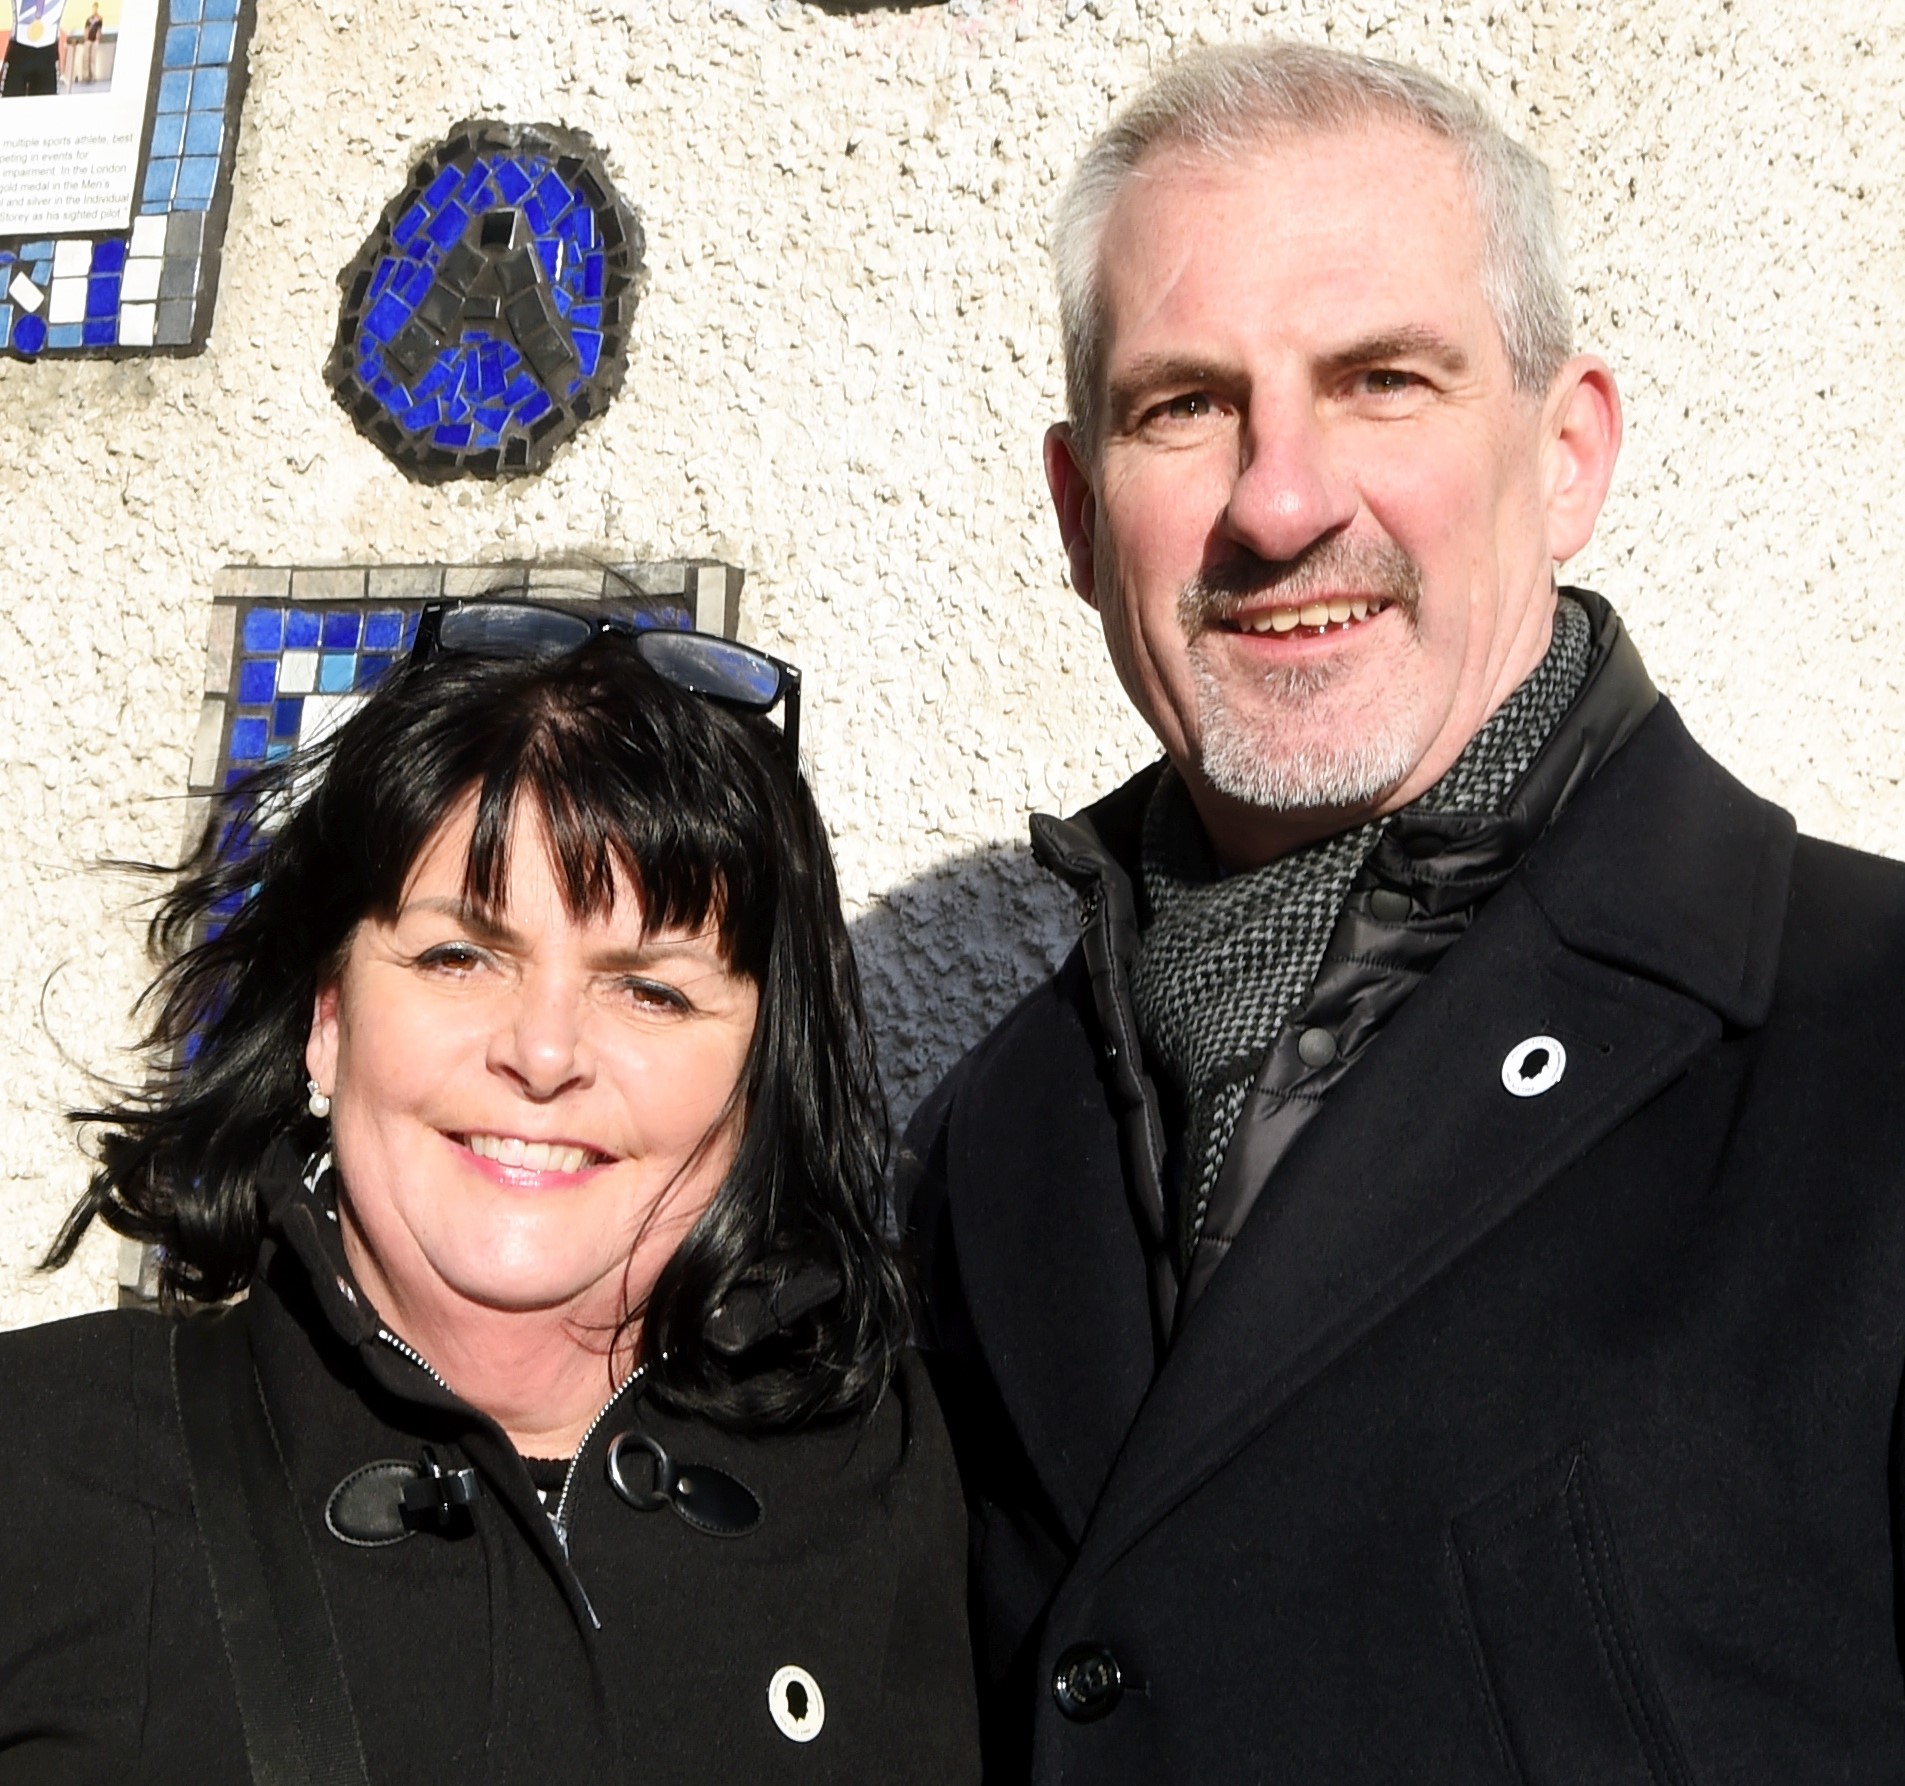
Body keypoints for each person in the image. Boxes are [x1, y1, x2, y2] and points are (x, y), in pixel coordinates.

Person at [903, 39, 1905, 1783]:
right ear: (1080, 515)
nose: (1281, 500)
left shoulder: (1870, 1038)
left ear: (1569, 448)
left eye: (1381, 380)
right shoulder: (987, 1150)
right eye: (1185, 404)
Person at [1, 602, 979, 1782]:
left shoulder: (890, 1473)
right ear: (326, 1018)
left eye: (650, 990)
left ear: (759, 1075)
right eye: (459, 956)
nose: (545, 1051)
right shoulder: (39, 1466)